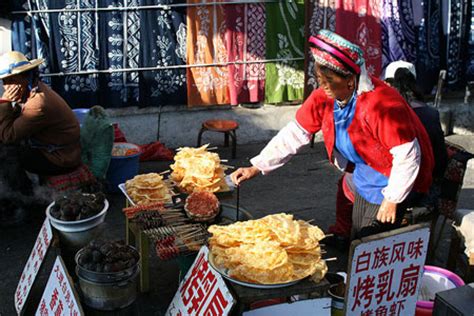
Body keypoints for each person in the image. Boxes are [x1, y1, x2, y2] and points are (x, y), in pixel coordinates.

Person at [230, 30, 434, 239]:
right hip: (364, 174)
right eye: (319, 78)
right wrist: (257, 166)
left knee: (372, 241)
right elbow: (295, 133)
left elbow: (407, 154)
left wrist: (393, 199)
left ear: (350, 80)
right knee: (359, 234)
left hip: (390, 178)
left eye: (329, 79)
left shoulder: (380, 104)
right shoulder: (324, 98)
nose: (323, 85)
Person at [0, 51, 81, 179]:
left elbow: (8, 136)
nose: (7, 88)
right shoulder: (34, 88)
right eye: (4, 82)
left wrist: (4, 102)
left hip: (61, 158)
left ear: (25, 77)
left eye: (11, 81)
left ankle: (24, 196)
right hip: (53, 148)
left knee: (7, 154)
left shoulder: (38, 103)